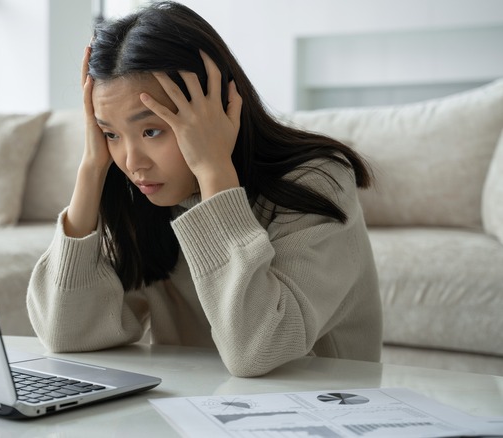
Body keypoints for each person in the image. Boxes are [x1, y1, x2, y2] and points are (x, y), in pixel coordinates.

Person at [26, 1, 382, 377]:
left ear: (217, 107)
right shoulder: (146, 193)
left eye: (151, 131)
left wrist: (213, 170)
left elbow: (257, 350)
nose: (133, 162)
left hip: (319, 412)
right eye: (111, 133)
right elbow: (66, 334)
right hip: (192, 410)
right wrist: (91, 168)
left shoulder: (314, 180)